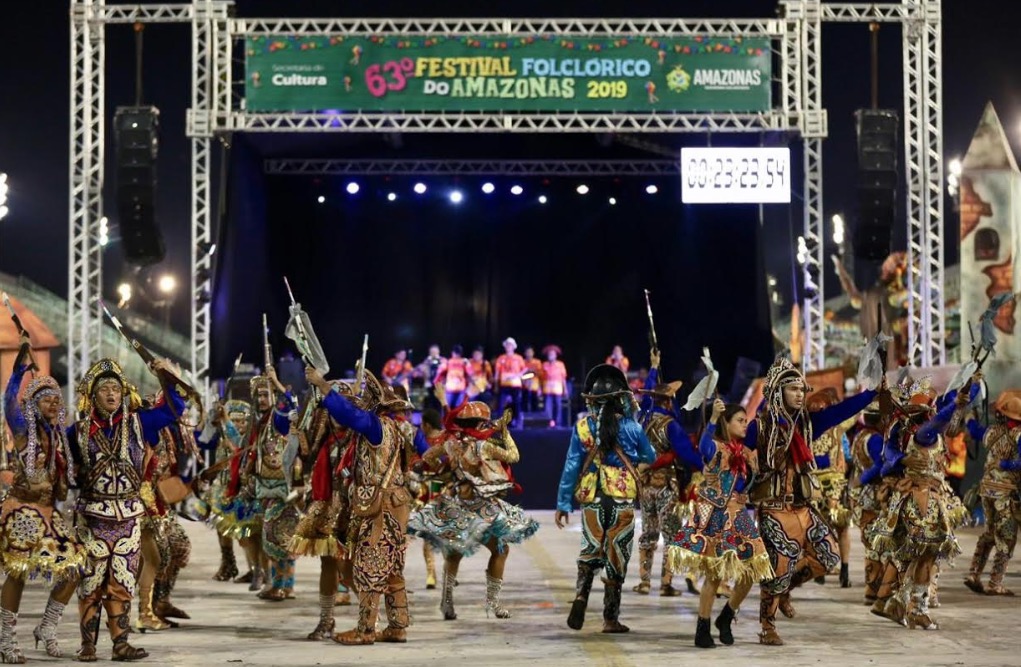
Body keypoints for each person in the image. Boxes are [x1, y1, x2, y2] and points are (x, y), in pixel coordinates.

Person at [747, 355, 876, 646]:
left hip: (803, 507)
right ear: (778, 392)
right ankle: (767, 626)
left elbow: (841, 411)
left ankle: (784, 591)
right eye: (793, 389)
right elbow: (734, 448)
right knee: (780, 567)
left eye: (801, 390)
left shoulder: (806, 424)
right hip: (774, 508)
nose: (800, 394)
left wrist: (870, 394)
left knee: (828, 557)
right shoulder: (760, 427)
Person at [68, 358, 184, 661]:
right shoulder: (76, 431)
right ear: (92, 395)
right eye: (104, 388)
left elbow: (175, 408)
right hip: (93, 519)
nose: (111, 393)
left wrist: (164, 375)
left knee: (122, 582)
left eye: (116, 388)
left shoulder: (139, 423)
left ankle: (120, 644)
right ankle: (88, 645)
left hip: (129, 518)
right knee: (91, 583)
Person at [307, 368, 427, 645]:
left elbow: (350, 415)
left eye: (365, 398)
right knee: (391, 568)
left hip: (380, 507)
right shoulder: (397, 427)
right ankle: (397, 626)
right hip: (396, 503)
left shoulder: (377, 426)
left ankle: (365, 630)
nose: (361, 403)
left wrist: (322, 385)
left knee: (369, 566)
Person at [410, 400, 539, 620]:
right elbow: (514, 456)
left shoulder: (450, 444)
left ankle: (446, 603)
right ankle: (493, 603)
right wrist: (505, 431)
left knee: (454, 555)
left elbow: (427, 457)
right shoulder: (484, 446)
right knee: (500, 551)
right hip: (484, 509)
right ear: (479, 423)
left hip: (459, 506)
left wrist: (444, 471)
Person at [555, 364, 655, 633]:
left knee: (590, 549)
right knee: (617, 555)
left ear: (592, 400)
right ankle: (610, 619)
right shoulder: (633, 428)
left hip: (593, 499)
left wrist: (563, 503)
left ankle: (580, 597)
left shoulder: (582, 428)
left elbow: (571, 465)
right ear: (622, 398)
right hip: (621, 501)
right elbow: (650, 456)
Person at [870, 380, 976, 630]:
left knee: (910, 556)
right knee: (927, 556)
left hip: (914, 500)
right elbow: (939, 421)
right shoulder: (923, 434)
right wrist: (954, 405)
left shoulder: (904, 432)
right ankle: (917, 609)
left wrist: (965, 395)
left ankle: (894, 602)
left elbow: (946, 422)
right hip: (923, 504)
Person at [669, 399, 773, 648]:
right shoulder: (714, 447)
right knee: (714, 576)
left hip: (739, 515)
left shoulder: (746, 453)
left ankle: (726, 616)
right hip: (715, 515)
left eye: (746, 421)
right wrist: (714, 417)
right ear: (726, 423)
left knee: (752, 570)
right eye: (740, 420)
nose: (745, 425)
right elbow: (703, 446)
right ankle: (702, 628)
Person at [0, 359, 84, 663]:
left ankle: (47, 627)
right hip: (21, 510)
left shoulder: (59, 436)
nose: (53, 403)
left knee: (74, 568)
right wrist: (17, 376)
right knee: (18, 572)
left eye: (56, 399)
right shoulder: (24, 429)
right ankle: (5, 638)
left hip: (48, 513)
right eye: (46, 399)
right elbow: (9, 403)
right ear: (33, 405)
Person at [289, 381, 359, 640]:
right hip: (326, 507)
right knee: (327, 563)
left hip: (354, 510)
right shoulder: (324, 440)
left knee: (348, 569)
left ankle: (369, 619)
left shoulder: (360, 440)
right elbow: (303, 455)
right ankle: (326, 620)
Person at [633, 366, 699, 598]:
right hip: (666, 486)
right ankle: (665, 584)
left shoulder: (643, 420)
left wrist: (653, 369)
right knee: (671, 535)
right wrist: (704, 463)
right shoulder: (670, 425)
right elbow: (685, 453)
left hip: (646, 486)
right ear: (669, 402)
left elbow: (645, 402)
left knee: (648, 532)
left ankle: (644, 582)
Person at [964, 389, 1021, 596]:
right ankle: (995, 583)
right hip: (1006, 494)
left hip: (986, 490)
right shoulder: (1019, 436)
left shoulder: (992, 432)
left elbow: (974, 430)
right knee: (1006, 537)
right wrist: (1006, 464)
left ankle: (974, 574)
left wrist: (970, 415)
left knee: (989, 533)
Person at [196, 399, 251, 583]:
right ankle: (228, 563)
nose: (237, 425)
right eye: (233, 420)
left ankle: (254, 568)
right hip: (222, 488)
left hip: (241, 488)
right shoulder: (222, 437)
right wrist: (211, 421)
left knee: (245, 532)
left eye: (241, 421)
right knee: (221, 527)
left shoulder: (249, 439)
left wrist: (226, 422)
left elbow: (238, 445)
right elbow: (203, 441)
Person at [806, 388, 856, 587]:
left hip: (829, 485)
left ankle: (839, 570)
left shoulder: (835, 429)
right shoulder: (808, 430)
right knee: (827, 528)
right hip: (820, 485)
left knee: (833, 527)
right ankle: (835, 569)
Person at [849, 401, 886, 604]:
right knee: (877, 545)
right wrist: (864, 479)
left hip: (860, 497)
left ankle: (872, 589)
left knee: (870, 543)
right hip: (873, 496)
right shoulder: (876, 439)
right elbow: (880, 465)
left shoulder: (859, 436)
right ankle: (874, 590)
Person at [494, 338, 527, 429]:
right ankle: (500, 424)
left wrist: (519, 374)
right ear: (505, 347)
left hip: (516, 385)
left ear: (513, 347)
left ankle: (518, 423)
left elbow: (524, 369)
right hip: (504, 385)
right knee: (501, 404)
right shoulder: (501, 358)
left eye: (510, 345)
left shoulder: (518, 358)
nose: (509, 346)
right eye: (507, 345)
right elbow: (497, 373)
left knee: (517, 403)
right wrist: (496, 385)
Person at [542, 345, 568, 428]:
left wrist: (565, 389)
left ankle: (558, 423)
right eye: (549, 354)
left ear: (556, 355)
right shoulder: (544, 365)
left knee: (558, 405)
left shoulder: (560, 364)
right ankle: (548, 422)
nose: (551, 355)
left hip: (557, 389)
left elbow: (563, 377)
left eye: (552, 354)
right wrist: (539, 389)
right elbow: (541, 378)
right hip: (547, 389)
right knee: (547, 406)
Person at [437, 345, 469, 409]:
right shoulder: (449, 362)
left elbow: (439, 372)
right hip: (451, 389)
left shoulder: (463, 362)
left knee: (451, 409)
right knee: (453, 409)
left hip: (458, 390)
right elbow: (470, 373)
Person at [522, 346, 543, 413]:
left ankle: (535, 416)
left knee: (534, 401)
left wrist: (533, 371)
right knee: (524, 401)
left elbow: (540, 373)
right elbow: (520, 373)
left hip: (534, 385)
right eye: (527, 352)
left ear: (533, 353)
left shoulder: (537, 362)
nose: (529, 353)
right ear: (525, 353)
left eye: (530, 352)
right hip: (524, 385)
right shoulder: (522, 362)